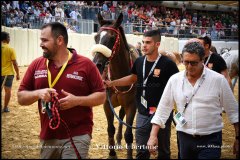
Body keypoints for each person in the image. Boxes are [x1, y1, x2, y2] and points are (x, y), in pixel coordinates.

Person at [17, 22, 106, 159]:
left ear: (59, 40)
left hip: (78, 134)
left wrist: (77, 101)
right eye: (41, 40)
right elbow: (21, 98)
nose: (41, 44)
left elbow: (101, 96)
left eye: (45, 40)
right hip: (48, 135)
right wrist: (38, 93)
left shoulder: (86, 64)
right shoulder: (36, 64)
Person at [147, 41, 239, 159]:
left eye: (194, 63)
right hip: (184, 138)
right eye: (186, 62)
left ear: (202, 60)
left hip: (210, 139)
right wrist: (153, 135)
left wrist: (237, 138)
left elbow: (233, 111)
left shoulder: (218, 80)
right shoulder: (174, 80)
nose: (189, 66)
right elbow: (163, 109)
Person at [105, 29, 179, 159]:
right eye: (143, 42)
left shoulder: (168, 64)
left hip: (162, 114)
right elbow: (133, 78)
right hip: (143, 112)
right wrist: (112, 83)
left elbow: (178, 86)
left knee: (163, 152)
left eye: (148, 42)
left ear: (157, 44)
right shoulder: (139, 62)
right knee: (141, 151)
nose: (144, 45)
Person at [1, 31, 20, 112]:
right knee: (7, 91)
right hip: (7, 73)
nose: (9, 39)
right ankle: (5, 107)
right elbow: (15, 63)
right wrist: (18, 74)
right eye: (9, 37)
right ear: (5, 39)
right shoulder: (10, 49)